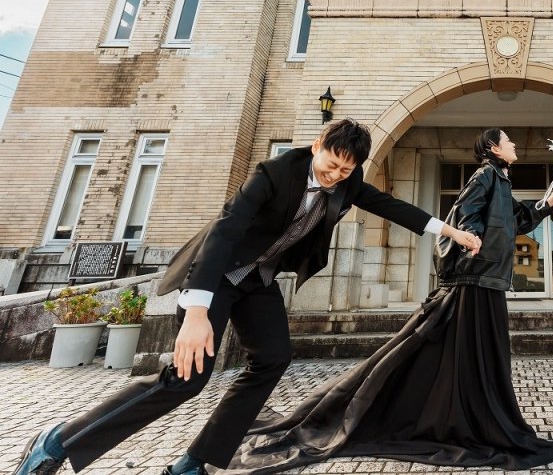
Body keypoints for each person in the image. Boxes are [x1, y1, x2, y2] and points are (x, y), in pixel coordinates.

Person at [14, 119, 481, 475]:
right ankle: (58, 442)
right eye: (331, 164)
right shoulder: (274, 173)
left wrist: (450, 231)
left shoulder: (348, 182)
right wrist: (196, 310)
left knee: (274, 357)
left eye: (346, 169)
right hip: (215, 277)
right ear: (317, 145)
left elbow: (390, 205)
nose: (337, 175)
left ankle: (195, 461)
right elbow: (225, 231)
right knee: (185, 380)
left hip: (256, 281)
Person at [219, 128, 553, 473]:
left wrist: (543, 204)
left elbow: (514, 222)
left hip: (489, 279)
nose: (514, 145)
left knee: (471, 353)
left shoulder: (502, 181)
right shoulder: (484, 176)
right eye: (509, 141)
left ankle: (466, 415)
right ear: (493, 147)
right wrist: (470, 240)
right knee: (452, 349)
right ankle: (453, 417)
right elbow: (463, 215)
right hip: (475, 278)